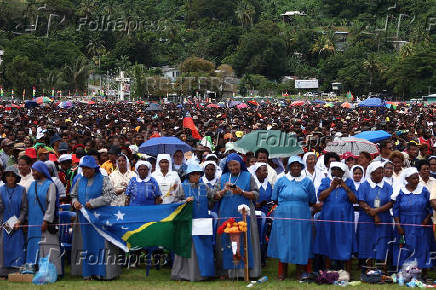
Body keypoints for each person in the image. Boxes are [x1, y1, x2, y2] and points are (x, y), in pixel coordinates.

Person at [71, 156, 121, 280]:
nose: (85, 171)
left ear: (94, 169)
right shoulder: (79, 180)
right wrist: (74, 202)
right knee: (85, 244)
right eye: (83, 168)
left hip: (99, 219)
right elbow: (73, 195)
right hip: (84, 219)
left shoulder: (104, 179)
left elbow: (110, 196)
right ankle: (87, 272)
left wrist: (94, 203)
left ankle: (101, 273)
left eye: (88, 169)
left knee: (101, 244)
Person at [267, 156, 316, 280]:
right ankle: (283, 271)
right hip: (284, 216)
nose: (295, 167)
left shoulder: (307, 181)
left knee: (300, 242)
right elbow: (275, 198)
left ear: (301, 167)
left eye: (298, 165)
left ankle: (300, 271)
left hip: (302, 216)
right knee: (284, 242)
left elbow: (312, 200)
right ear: (289, 167)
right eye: (293, 165)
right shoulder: (281, 180)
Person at [214, 153, 261, 278]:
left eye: (235, 165)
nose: (233, 168)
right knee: (227, 241)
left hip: (244, 213)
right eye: (230, 165)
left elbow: (256, 194)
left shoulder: (248, 176)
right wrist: (223, 191)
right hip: (226, 212)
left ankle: (247, 272)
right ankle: (228, 272)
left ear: (240, 164)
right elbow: (214, 196)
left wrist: (242, 192)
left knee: (245, 240)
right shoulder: (223, 177)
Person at [171, 163, 215, 281]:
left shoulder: (204, 186)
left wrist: (223, 191)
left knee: (203, 246)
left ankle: (204, 273)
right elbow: (174, 203)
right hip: (188, 221)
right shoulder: (182, 186)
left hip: (202, 220)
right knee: (188, 247)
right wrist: (185, 201)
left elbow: (213, 197)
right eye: (194, 174)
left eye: (198, 174)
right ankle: (186, 273)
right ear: (188, 175)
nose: (196, 177)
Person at [313, 162, 357, 272]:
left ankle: (347, 272)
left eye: (339, 170)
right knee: (328, 240)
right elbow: (321, 197)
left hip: (345, 217)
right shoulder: (326, 181)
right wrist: (331, 187)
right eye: (334, 169)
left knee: (346, 241)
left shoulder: (349, 182)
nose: (336, 172)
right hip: (328, 216)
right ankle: (328, 271)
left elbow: (354, 199)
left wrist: (345, 187)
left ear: (343, 172)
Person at [25, 161, 62, 275]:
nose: (33, 173)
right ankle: (32, 269)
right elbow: (27, 203)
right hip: (32, 222)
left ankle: (50, 271)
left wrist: (46, 220)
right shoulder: (32, 185)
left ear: (42, 171)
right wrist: (26, 221)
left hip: (44, 222)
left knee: (46, 246)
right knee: (33, 245)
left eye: (36, 170)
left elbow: (51, 204)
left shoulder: (50, 185)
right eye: (33, 170)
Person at [393, 167, 433, 271]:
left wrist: (427, 218)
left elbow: (429, 207)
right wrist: (398, 226)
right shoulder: (401, 192)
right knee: (406, 247)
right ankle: (405, 271)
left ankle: (422, 271)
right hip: (405, 223)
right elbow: (396, 210)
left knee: (422, 246)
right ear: (407, 179)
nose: (416, 180)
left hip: (421, 223)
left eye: (417, 178)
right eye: (413, 178)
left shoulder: (423, 190)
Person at [357, 161, 393, 266]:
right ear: (372, 173)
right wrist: (374, 214)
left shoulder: (387, 186)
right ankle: (368, 267)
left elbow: (391, 202)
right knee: (367, 242)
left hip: (383, 219)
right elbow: (361, 202)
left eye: (382, 172)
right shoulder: (364, 185)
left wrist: (376, 211)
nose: (381, 175)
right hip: (367, 219)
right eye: (378, 173)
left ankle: (382, 268)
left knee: (382, 242)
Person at [0, 166, 27, 276]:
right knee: (3, 249)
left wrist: (19, 221)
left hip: (17, 224)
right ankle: (2, 273)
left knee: (18, 248)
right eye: (8, 175)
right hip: (4, 223)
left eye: (13, 175)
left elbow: (24, 208)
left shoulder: (22, 190)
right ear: (4, 177)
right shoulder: (1, 189)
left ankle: (16, 272)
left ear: (16, 177)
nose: (10, 178)